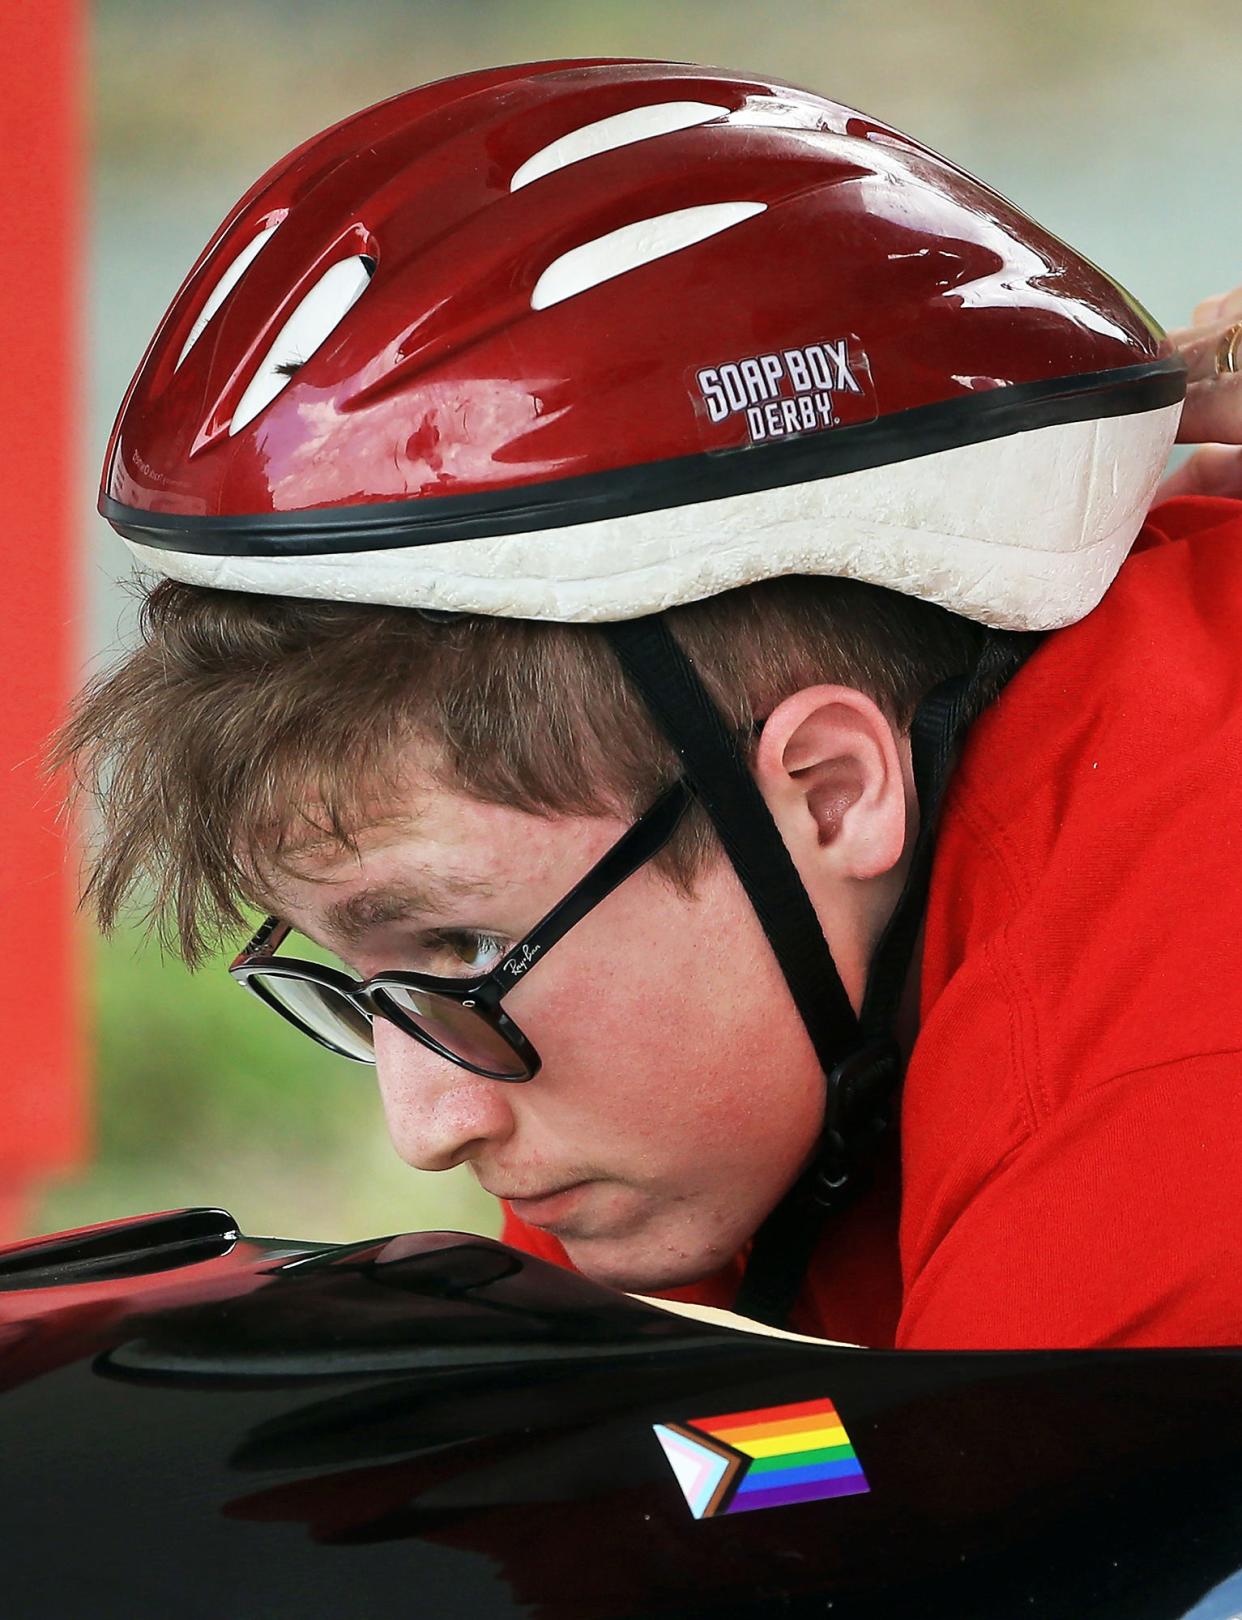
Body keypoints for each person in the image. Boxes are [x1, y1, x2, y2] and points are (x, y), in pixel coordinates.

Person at [60, 60, 1242, 1350]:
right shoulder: (700, 983)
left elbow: (900, 1520)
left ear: (832, 791)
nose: (425, 1129)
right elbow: (723, 1469)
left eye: (458, 956)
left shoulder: (1171, 1083)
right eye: (367, 986)